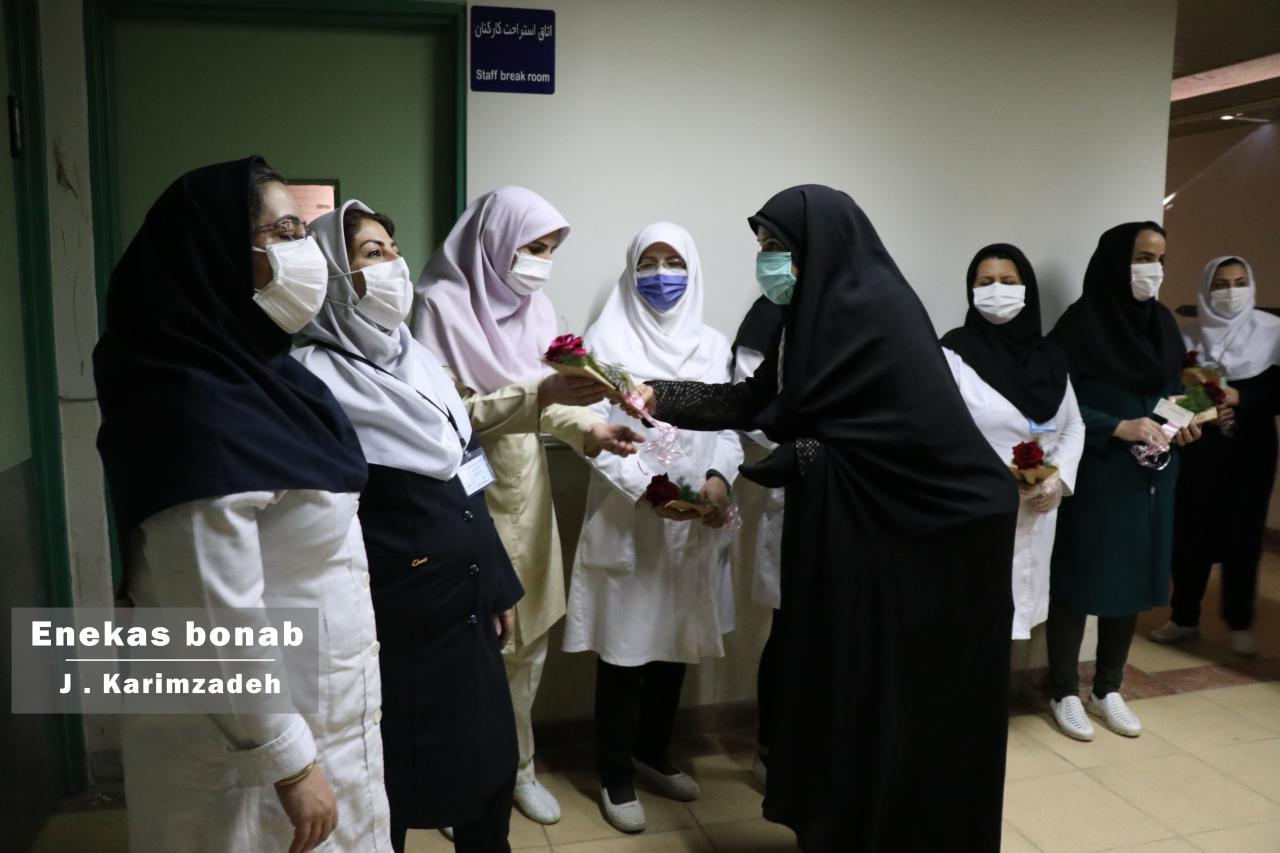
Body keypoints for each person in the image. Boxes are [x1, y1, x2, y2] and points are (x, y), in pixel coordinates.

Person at [631, 185, 1019, 852]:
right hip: (854, 532)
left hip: (922, 537)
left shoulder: (881, 311)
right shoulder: (804, 316)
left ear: (821, 246)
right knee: (839, 682)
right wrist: (657, 395)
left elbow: (898, 439)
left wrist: (802, 456)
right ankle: (840, 826)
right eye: (762, 247)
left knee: (888, 694)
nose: (767, 261)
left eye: (777, 246)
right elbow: (757, 399)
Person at [93, 158, 390, 852]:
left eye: (303, 232)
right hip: (249, 750)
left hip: (321, 708)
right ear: (215, 254)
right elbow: (211, 608)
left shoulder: (270, 380)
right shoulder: (191, 405)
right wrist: (288, 759)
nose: (304, 252)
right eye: (282, 233)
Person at [293, 200, 529, 852]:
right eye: (372, 254)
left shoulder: (419, 361)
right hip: (392, 630)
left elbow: (469, 471)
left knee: (490, 766)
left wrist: (498, 582)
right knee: (391, 784)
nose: (394, 266)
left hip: (468, 608)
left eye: (394, 251)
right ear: (335, 274)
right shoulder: (311, 381)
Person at [410, 186, 640, 826]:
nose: (539, 263)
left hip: (524, 491)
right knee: (463, 648)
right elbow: (449, 415)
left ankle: (519, 769)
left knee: (527, 642)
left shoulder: (535, 308)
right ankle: (455, 781)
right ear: (494, 241)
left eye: (548, 250)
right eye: (530, 247)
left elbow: (550, 400)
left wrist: (591, 429)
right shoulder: (439, 306)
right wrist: (539, 396)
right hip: (458, 494)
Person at [561, 222, 743, 833]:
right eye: (648, 262)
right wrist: (651, 491)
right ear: (630, 269)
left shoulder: (713, 344)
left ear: (693, 269)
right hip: (630, 516)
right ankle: (613, 770)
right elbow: (590, 431)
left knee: (675, 642)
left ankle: (653, 752)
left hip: (693, 523)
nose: (661, 275)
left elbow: (729, 426)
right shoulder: (603, 342)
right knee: (625, 647)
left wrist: (718, 478)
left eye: (674, 262)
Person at [1046, 222, 1200, 742]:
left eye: (1159, 258)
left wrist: (1181, 424)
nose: (1152, 269)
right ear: (1116, 260)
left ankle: (1108, 687)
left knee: (1131, 579)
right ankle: (1063, 689)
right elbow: (1052, 401)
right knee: (1078, 576)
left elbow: (1178, 391)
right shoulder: (1079, 325)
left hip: (1152, 474)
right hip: (1097, 470)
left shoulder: (1162, 323)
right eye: (1142, 257)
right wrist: (1116, 426)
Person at [940, 244, 1085, 644]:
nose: (997, 290)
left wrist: (1055, 479)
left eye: (1008, 281)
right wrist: (998, 481)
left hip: (1038, 506)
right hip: (977, 507)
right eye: (985, 282)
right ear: (971, 290)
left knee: (1018, 614)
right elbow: (941, 432)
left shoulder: (1051, 357)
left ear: (1027, 290)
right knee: (971, 616)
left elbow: (1073, 424)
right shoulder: (951, 354)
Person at [1152, 256, 1280, 657]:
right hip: (1198, 449)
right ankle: (1184, 617)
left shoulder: (1273, 332)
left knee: (1244, 535)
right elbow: (1170, 398)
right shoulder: (1188, 337)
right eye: (1221, 284)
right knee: (1189, 532)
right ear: (1206, 290)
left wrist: (1242, 398)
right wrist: (1201, 406)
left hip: (1250, 450)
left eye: (1239, 282)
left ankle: (1240, 622)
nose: (1231, 291)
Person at [728, 295, 786, 787]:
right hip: (796, 486)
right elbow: (753, 405)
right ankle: (772, 748)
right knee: (788, 631)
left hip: (857, 496)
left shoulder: (862, 310)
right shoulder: (771, 316)